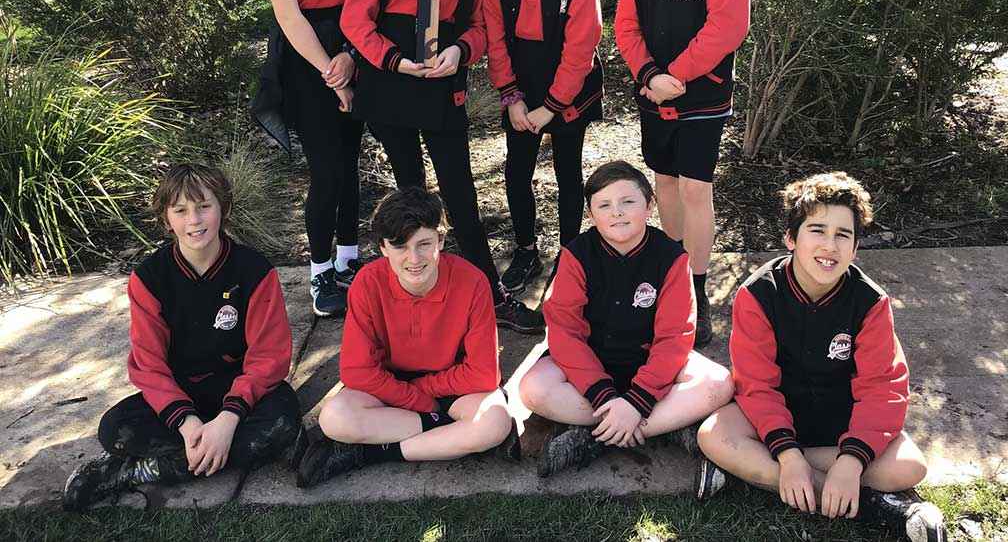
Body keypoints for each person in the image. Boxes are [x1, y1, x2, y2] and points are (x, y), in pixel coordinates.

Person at [340, 0, 542, 334]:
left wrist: (460, 52)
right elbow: (354, 19)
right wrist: (393, 61)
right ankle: (414, 298)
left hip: (442, 81)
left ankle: (488, 293)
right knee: (410, 192)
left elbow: (481, 26)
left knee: (459, 189)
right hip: (391, 84)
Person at [695, 172, 947, 542]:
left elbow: (884, 388)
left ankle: (750, 474)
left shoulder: (870, 302)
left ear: (855, 248)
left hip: (840, 417)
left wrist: (852, 459)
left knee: (910, 467)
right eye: (817, 230)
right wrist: (788, 453)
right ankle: (871, 505)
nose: (829, 245)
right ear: (790, 238)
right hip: (774, 415)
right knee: (713, 436)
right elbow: (756, 384)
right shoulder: (758, 294)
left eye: (842, 234)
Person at [62, 164, 300, 511]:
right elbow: (149, 364)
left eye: (204, 206)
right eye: (181, 210)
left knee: (282, 422)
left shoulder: (255, 270)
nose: (194, 220)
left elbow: (269, 358)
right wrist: (189, 425)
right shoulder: (149, 278)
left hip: (237, 390)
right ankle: (194, 454)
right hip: (181, 393)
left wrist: (227, 420)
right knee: (115, 429)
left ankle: (141, 470)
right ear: (166, 219)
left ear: (224, 209)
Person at [614, 0, 751, 347]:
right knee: (665, 185)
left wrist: (679, 72)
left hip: (703, 94)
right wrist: (649, 75)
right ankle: (672, 282)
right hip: (654, 92)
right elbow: (625, 26)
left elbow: (728, 25)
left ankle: (697, 291)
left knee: (696, 188)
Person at [519, 161, 734, 477]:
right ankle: (660, 426)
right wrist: (604, 393)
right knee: (534, 388)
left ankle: (597, 436)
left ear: (649, 206)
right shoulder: (577, 255)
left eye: (628, 202)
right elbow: (565, 333)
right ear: (592, 215)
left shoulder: (671, 258)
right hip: (590, 368)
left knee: (719, 383)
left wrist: (638, 400)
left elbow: (675, 338)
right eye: (604, 205)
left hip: (651, 366)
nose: (616, 212)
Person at [296, 187, 513, 486]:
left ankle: (368, 454)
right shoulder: (367, 283)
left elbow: (484, 374)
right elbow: (357, 370)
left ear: (441, 240)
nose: (414, 259)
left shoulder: (473, 281)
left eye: (424, 244)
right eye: (400, 246)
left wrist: (424, 390)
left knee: (494, 423)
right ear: (383, 248)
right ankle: (448, 433)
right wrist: (420, 403)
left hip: (454, 382)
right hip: (390, 384)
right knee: (334, 417)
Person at [252, 0, 371, 318]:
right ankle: (321, 271)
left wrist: (353, 55)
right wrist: (330, 69)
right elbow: (287, 10)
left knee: (350, 158)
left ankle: (349, 259)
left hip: (355, 41)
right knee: (325, 168)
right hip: (307, 57)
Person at [483, 0, 604, 296]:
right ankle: (526, 249)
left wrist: (549, 107)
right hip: (520, 85)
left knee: (568, 172)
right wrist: (511, 97)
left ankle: (569, 257)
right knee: (517, 171)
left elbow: (579, 52)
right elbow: (494, 38)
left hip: (567, 89)